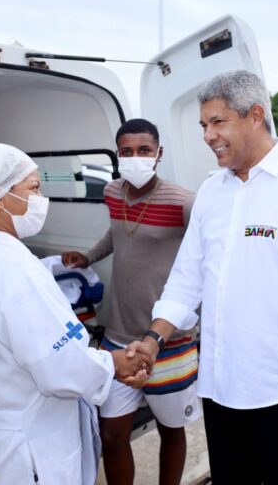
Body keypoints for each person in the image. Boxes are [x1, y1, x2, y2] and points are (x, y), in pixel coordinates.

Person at [126, 70, 278, 484]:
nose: (207, 135)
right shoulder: (212, 194)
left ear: (255, 115)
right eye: (203, 125)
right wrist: (153, 340)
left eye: (218, 121)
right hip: (219, 389)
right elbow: (186, 280)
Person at [0, 143, 149, 485]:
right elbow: (55, 364)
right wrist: (113, 364)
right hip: (30, 450)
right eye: (33, 188)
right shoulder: (11, 268)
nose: (42, 198)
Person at [62, 119, 199, 485]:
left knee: (171, 430)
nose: (135, 158)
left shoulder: (183, 201)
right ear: (117, 154)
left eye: (144, 151)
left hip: (170, 342)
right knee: (112, 436)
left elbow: (205, 258)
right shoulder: (111, 192)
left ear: (159, 154)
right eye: (126, 152)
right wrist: (88, 257)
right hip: (119, 337)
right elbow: (118, 233)